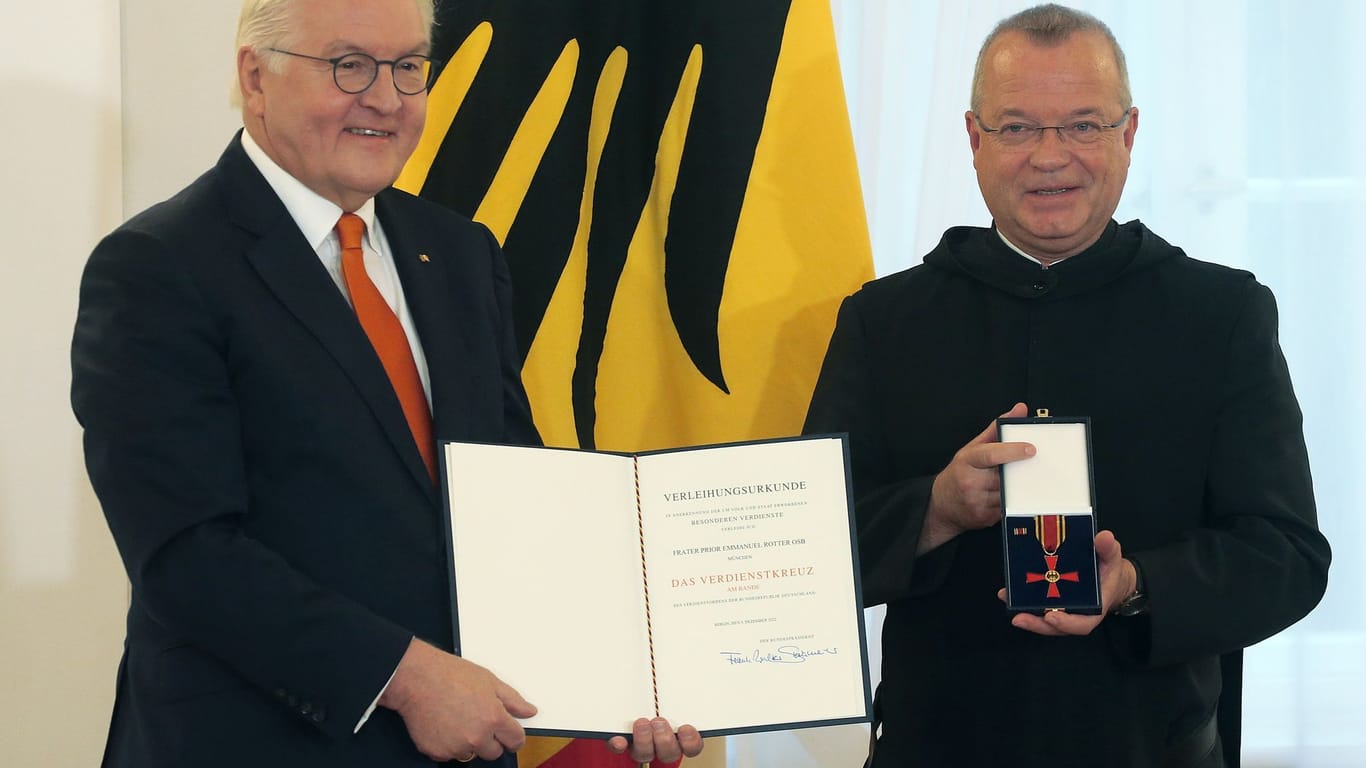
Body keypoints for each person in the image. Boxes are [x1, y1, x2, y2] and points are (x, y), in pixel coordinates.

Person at [70, 0, 703, 766]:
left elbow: (515, 501)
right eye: (349, 64)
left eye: (408, 66)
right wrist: (402, 677)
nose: (386, 98)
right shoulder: (159, 267)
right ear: (254, 76)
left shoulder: (461, 253)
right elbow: (185, 554)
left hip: (463, 749)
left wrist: (631, 676)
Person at [803, 5, 1330, 767]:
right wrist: (937, 509)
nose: (1052, 156)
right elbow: (805, 550)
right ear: (974, 139)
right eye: (1018, 127)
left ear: (1129, 133)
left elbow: (1286, 557)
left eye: (1084, 124)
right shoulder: (882, 322)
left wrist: (1136, 584)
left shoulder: (1223, 315)